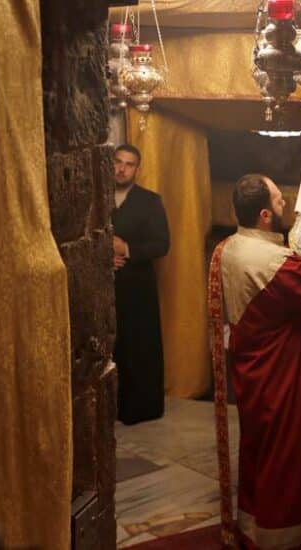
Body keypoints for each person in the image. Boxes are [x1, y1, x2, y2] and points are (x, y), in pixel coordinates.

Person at [210, 174, 301, 549]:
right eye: (278, 201)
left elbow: (277, 288)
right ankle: (286, 535)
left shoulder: (228, 246)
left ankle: (255, 525)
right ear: (263, 214)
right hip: (283, 370)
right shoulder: (272, 261)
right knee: (288, 451)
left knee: (261, 447)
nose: (285, 204)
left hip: (251, 366)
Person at [110, 144, 170, 425]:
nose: (121, 168)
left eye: (129, 164)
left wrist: (127, 249)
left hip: (137, 288)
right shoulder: (95, 198)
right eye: (118, 162)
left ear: (137, 168)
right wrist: (105, 258)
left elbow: (161, 244)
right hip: (102, 286)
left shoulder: (150, 201)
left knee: (138, 348)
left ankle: (138, 409)